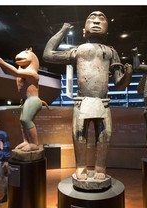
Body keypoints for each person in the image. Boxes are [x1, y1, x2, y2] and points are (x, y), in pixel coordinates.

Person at [43, 11, 133, 180]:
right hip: (81, 102)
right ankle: (80, 167)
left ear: (107, 31)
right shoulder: (78, 50)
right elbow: (48, 54)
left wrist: (128, 74)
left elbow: (119, 83)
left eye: (102, 19)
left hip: (103, 103)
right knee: (79, 135)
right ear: (83, 31)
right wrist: (63, 30)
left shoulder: (111, 51)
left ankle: (100, 167)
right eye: (92, 18)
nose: (97, 21)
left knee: (104, 137)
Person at [0, 48, 50, 152]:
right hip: (27, 100)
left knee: (26, 120)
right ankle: (26, 141)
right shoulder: (24, 71)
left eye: (26, 53)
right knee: (22, 121)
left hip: (33, 100)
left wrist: (2, 63)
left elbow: (16, 73)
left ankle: (34, 144)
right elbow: (17, 74)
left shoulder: (32, 73)